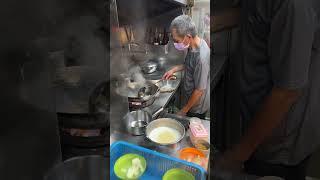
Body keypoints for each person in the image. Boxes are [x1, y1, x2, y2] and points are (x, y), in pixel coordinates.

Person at [214, 0, 320, 179]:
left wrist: (236, 157)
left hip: (279, 139)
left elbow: (287, 92)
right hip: (260, 124)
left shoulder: (294, 5)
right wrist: (211, 23)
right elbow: (254, 12)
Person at [163, 15, 210, 119]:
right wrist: (174, 69)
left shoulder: (201, 57)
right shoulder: (193, 45)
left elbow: (199, 91)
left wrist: (184, 110)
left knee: (193, 127)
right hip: (190, 99)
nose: (176, 44)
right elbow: (189, 64)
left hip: (196, 107)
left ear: (188, 37)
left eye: (177, 41)